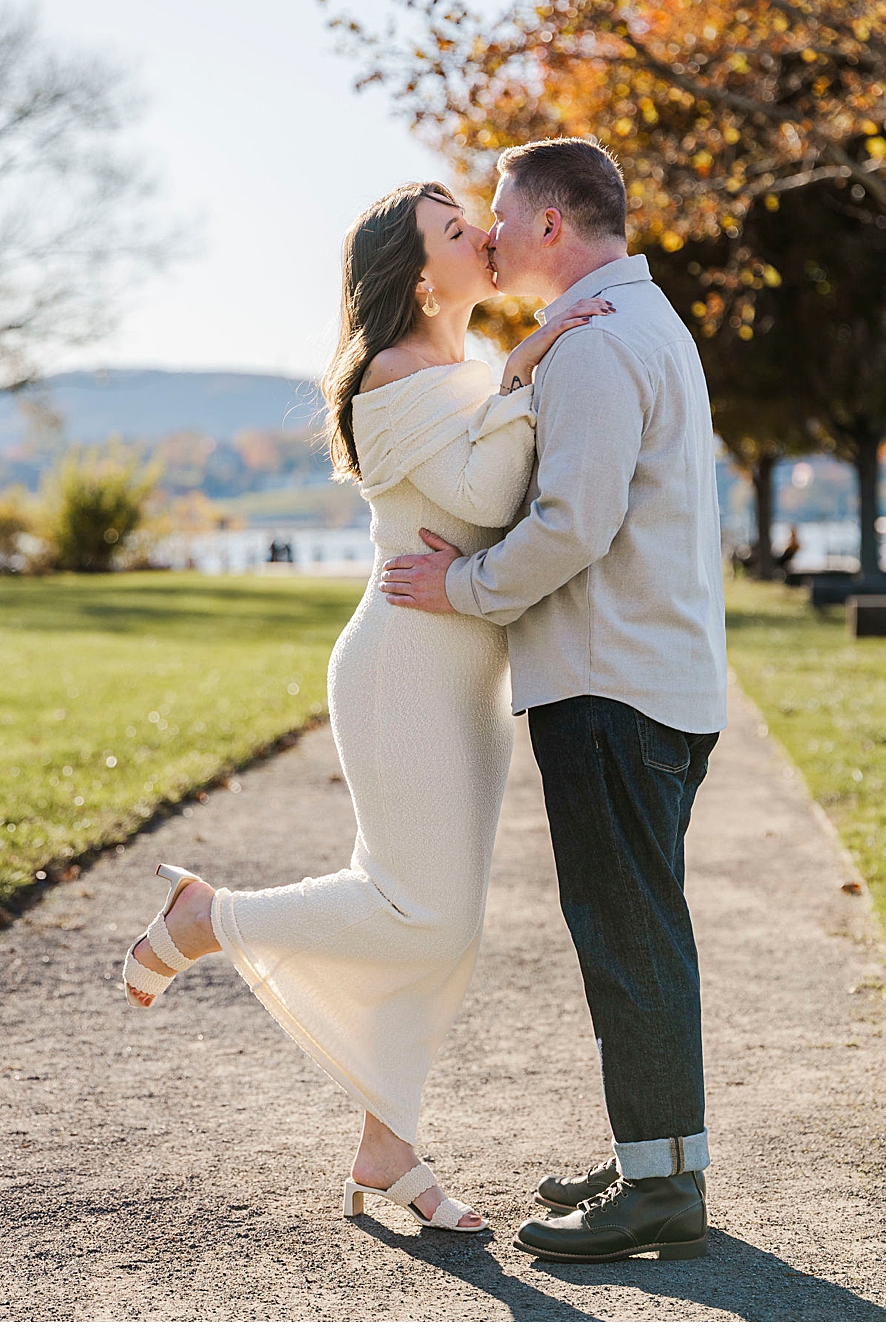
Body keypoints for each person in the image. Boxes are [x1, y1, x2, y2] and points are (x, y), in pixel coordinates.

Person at [121, 176, 609, 1236]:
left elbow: (495, 494)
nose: (481, 234)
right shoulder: (394, 370)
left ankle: (385, 1146)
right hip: (402, 665)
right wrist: (526, 373)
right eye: (451, 229)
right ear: (413, 271)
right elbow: (487, 503)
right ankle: (208, 918)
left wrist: (512, 370)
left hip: (462, 670)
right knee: (417, 908)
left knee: (446, 925)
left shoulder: (467, 369)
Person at [377, 138, 727, 1262]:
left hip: (609, 683)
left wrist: (460, 586)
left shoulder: (596, 344)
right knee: (639, 930)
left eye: (496, 212)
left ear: (544, 226)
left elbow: (570, 526)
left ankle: (661, 1192)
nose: (485, 230)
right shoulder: (641, 323)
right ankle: (653, 1157)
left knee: (626, 939)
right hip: (652, 678)